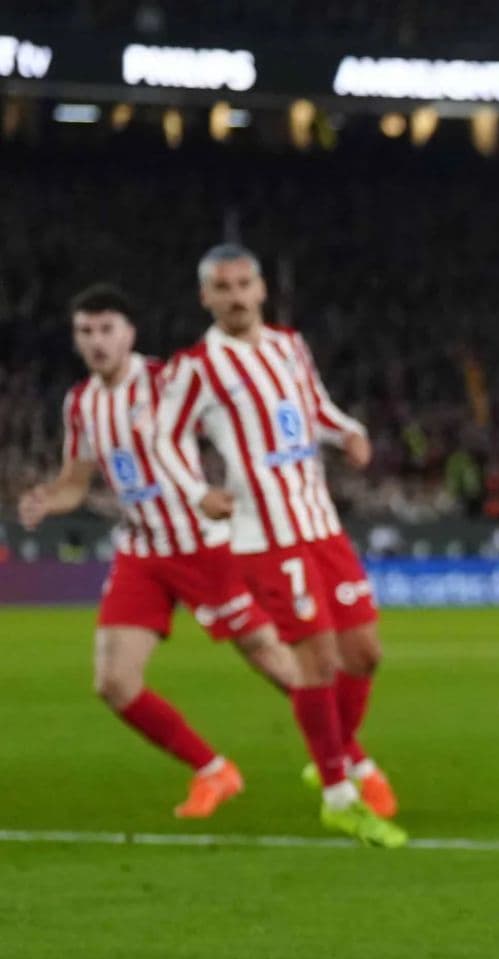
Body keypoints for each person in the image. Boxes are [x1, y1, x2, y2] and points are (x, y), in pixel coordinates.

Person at [18, 283, 302, 819]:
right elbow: (76, 482)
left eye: (107, 329)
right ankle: (214, 771)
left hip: (202, 545)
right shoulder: (80, 403)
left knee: (273, 661)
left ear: (130, 333)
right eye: (86, 331)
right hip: (142, 552)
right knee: (114, 682)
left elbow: (233, 419)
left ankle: (345, 762)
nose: (97, 341)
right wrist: (46, 500)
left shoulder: (168, 380)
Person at [153, 244, 404, 846]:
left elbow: (314, 408)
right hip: (265, 537)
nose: (236, 296)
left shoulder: (289, 345)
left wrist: (350, 433)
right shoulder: (196, 368)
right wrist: (197, 491)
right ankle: (340, 794)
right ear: (205, 297)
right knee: (315, 661)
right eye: (223, 287)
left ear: (261, 288)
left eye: (244, 284)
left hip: (321, 525)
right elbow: (163, 439)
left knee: (365, 651)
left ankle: (331, 757)